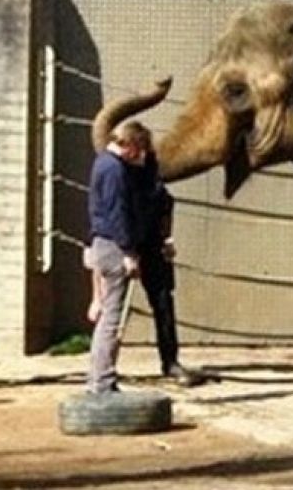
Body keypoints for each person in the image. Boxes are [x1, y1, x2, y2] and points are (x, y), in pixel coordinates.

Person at [86, 120, 197, 393]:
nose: (143, 155)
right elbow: (115, 214)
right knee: (112, 317)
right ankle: (102, 381)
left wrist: (166, 238)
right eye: (140, 150)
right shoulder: (114, 170)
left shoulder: (142, 170)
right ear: (130, 146)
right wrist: (128, 253)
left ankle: (168, 360)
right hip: (123, 247)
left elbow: (165, 202)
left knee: (161, 301)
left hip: (147, 243)